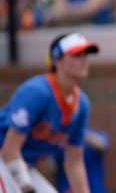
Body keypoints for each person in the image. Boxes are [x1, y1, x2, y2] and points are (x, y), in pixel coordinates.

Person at [0, 32, 98, 193]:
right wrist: (25, 186)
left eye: (86, 55)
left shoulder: (82, 105)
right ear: (56, 60)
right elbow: (10, 149)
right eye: (76, 55)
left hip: (21, 164)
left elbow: (74, 160)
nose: (84, 60)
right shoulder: (37, 92)